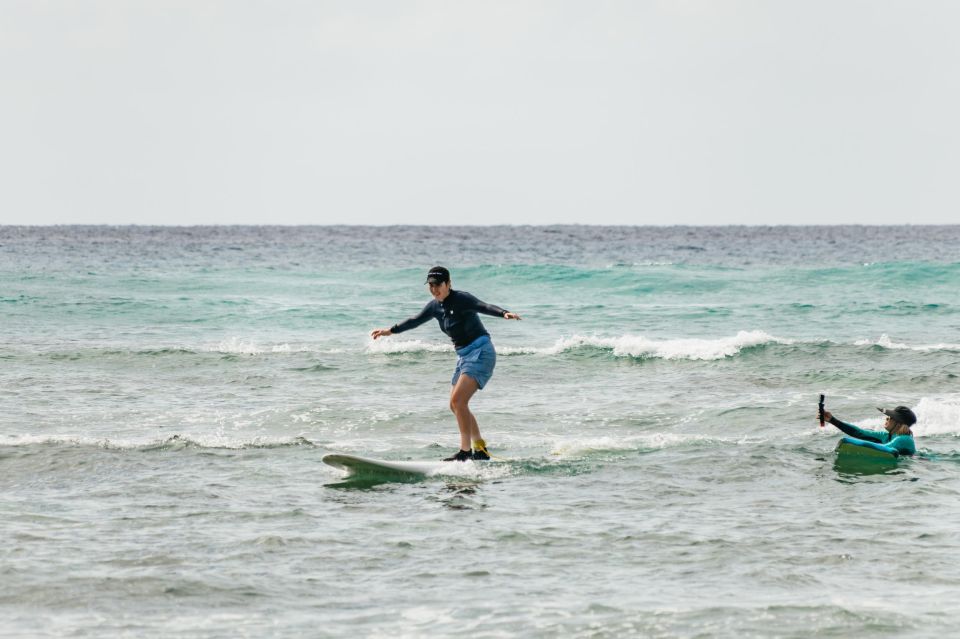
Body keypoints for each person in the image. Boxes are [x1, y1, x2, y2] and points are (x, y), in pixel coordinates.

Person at [370, 266, 521, 461]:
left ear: (448, 284)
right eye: (431, 285)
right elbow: (414, 320)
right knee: (456, 405)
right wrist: (390, 331)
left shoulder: (462, 299)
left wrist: (504, 313)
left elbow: (483, 306)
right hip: (464, 356)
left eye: (438, 285)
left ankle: (465, 452)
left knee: (459, 401)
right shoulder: (434, 306)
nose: (434, 289)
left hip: (481, 352)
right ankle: (480, 449)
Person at [822, 405, 917, 457]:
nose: (887, 418)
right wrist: (832, 420)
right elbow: (860, 433)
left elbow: (886, 448)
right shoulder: (886, 436)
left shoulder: (904, 439)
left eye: (891, 417)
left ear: (899, 423)